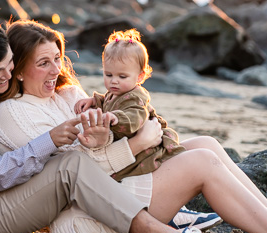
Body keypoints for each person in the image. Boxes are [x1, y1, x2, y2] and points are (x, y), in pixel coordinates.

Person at [0, 18, 267, 233]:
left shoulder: (65, 94)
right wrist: (140, 141)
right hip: (87, 217)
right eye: (43, 63)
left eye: (57, 58)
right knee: (201, 162)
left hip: (116, 190)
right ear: (18, 70)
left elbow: (112, 125)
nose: (56, 69)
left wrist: (125, 136)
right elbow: (72, 181)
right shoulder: (12, 114)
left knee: (206, 144)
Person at [0, 15, 243, 233]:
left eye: (9, 65)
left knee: (203, 145)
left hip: (4, 196)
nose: (7, 75)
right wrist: (50, 139)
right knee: (70, 166)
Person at [73, 28, 185, 181]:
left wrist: (116, 118)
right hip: (129, 143)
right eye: (108, 74)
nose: (114, 80)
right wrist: (94, 101)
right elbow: (107, 102)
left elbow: (135, 117)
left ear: (140, 76)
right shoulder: (116, 92)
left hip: (147, 149)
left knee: (126, 172)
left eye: (122, 76)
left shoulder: (135, 97)